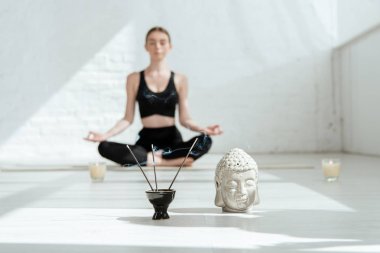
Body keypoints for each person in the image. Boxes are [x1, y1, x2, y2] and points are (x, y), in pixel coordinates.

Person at [85, 26, 222, 167]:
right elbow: (127, 119)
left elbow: (185, 119)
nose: (157, 46)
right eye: (152, 42)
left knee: (206, 140)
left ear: (170, 46)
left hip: (172, 143)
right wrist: (105, 136)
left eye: (162, 42)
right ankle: (174, 162)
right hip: (146, 143)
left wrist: (203, 129)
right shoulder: (134, 78)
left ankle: (152, 161)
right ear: (146, 47)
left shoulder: (180, 79)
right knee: (104, 147)